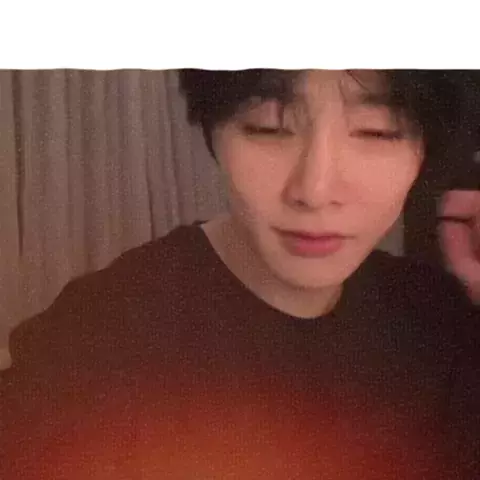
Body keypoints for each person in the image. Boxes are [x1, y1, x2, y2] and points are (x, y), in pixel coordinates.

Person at [1, 69, 479, 479]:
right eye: (269, 127)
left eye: (376, 132)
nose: (314, 190)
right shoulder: (98, 338)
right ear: (214, 135)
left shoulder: (439, 318)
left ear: (426, 150)